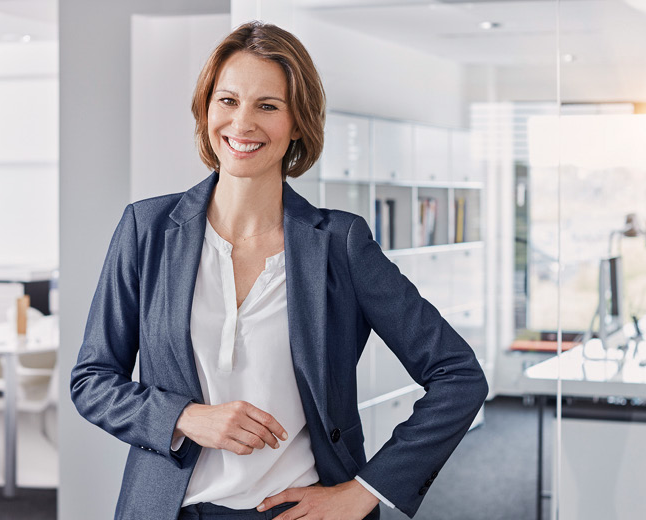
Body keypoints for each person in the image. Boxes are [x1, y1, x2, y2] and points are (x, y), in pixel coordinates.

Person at [70, 21, 488, 520]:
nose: (241, 123)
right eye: (227, 101)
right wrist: (183, 417)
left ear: (297, 124)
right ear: (206, 110)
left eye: (267, 106)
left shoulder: (341, 244)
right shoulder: (147, 229)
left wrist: (365, 491)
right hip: (169, 510)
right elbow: (92, 380)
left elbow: (458, 376)